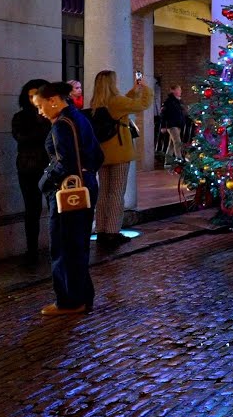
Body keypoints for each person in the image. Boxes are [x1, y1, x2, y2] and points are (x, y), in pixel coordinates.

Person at [33, 81, 104, 315]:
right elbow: (97, 155)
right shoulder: (78, 117)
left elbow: (64, 162)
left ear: (53, 100)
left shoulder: (63, 124)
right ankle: (82, 295)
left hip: (68, 192)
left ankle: (70, 300)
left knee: (65, 245)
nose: (40, 111)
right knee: (77, 244)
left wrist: (45, 181)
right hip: (86, 184)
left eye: (40, 105)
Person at [88, 70, 154, 248]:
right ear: (112, 83)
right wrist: (147, 89)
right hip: (119, 151)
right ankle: (112, 231)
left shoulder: (97, 102)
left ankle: (101, 230)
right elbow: (142, 105)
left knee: (103, 193)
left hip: (103, 153)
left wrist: (133, 90)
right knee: (117, 192)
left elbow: (126, 102)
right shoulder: (117, 102)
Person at [11, 78, 51, 263]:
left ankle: (55, 246)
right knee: (32, 210)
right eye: (30, 96)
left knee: (55, 209)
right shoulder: (21, 117)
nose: (33, 100)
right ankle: (32, 250)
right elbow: (22, 138)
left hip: (50, 167)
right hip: (29, 167)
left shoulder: (52, 116)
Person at [160, 84, 188, 164]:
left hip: (178, 124)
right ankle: (179, 159)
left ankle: (167, 162)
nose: (180, 91)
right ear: (173, 91)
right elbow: (163, 114)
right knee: (177, 142)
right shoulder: (169, 102)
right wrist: (163, 126)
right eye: (178, 90)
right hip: (172, 124)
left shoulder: (179, 101)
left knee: (172, 144)